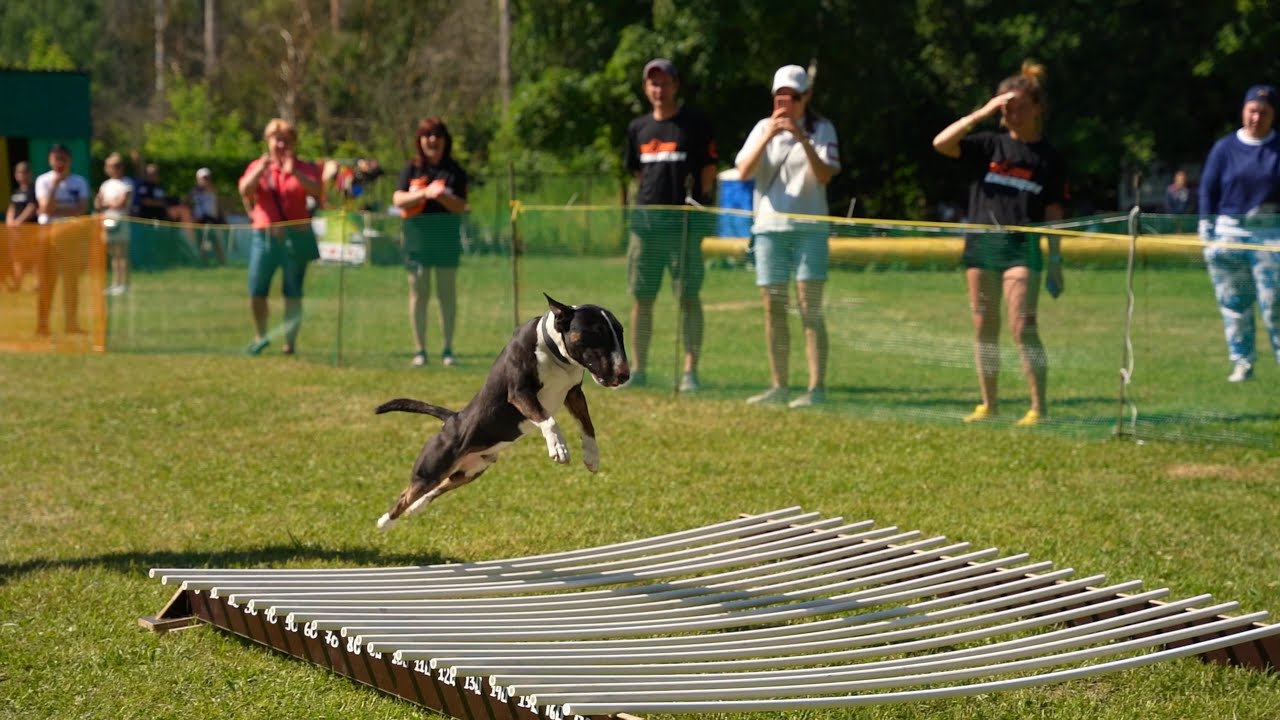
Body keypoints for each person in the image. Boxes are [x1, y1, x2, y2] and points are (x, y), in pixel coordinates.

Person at [932, 61, 1068, 426]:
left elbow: (1054, 211)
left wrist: (1055, 260)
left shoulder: (1048, 157)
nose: (1012, 113)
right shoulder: (988, 145)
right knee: (984, 326)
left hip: (1021, 249)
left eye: (1020, 106)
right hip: (981, 246)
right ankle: (988, 404)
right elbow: (941, 143)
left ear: (1038, 108)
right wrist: (982, 113)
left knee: (1023, 326)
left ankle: (1039, 408)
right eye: (1006, 107)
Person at [734, 64, 840, 408]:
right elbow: (743, 172)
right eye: (779, 97)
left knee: (810, 308)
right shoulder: (762, 128)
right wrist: (770, 134)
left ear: (805, 97)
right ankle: (779, 386)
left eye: (792, 97)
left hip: (809, 229)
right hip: (769, 230)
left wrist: (800, 137)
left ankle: (816, 388)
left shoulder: (822, 129)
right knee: (774, 309)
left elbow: (825, 175)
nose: (785, 104)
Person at [622, 58, 718, 391]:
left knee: (688, 298)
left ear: (675, 86)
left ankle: (690, 371)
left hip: (683, 228)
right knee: (642, 298)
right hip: (646, 228)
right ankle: (640, 369)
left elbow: (708, 169)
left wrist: (703, 203)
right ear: (646, 88)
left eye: (664, 83)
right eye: (653, 83)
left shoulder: (694, 124)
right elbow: (637, 172)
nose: (658, 89)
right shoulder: (638, 128)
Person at [1198, 84, 1280, 383]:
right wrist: (1206, 230)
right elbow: (1208, 189)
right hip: (1229, 235)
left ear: (1273, 116)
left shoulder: (1277, 148)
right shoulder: (1224, 148)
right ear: (1243, 111)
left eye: (1264, 112)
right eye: (1252, 111)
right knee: (1234, 304)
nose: (1257, 117)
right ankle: (1242, 362)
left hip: (1271, 236)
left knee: (1275, 304)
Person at [237, 118, 322, 355]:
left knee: (293, 292)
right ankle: (260, 336)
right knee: (257, 289)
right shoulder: (258, 166)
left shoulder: (303, 167)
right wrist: (260, 170)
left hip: (295, 239)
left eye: (286, 140)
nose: (281, 144)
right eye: (277, 139)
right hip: (264, 237)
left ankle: (290, 342)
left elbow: (317, 191)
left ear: (293, 143)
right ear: (268, 141)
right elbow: (244, 190)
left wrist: (294, 172)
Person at [392, 117, 468, 368]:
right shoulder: (411, 168)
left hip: (445, 241)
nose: (432, 140)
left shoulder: (454, 171)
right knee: (418, 294)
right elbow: (398, 199)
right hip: (416, 242)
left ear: (445, 141)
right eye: (427, 135)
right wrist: (424, 193)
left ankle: (448, 349)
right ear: (420, 140)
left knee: (447, 294)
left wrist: (442, 195)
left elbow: (461, 206)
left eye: (437, 135)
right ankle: (420, 350)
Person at [34, 143, 91, 335]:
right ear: (50, 160)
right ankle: (43, 324)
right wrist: (55, 185)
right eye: (56, 158)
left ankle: (71, 324)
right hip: (48, 237)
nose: (60, 163)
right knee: (47, 282)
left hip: (71, 238)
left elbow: (81, 210)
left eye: (63, 159)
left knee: (71, 283)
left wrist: (58, 210)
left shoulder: (79, 182)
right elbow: (46, 209)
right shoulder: (43, 181)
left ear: (70, 160)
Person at [95, 152, 134, 295]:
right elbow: (98, 202)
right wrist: (104, 203)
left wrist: (107, 203)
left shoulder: (127, 183)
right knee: (113, 254)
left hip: (121, 220)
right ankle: (115, 283)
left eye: (115, 166)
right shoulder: (106, 184)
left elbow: (121, 203)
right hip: (107, 221)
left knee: (122, 253)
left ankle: (124, 284)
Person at [5, 161, 39, 291]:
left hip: (31, 229)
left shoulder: (33, 190)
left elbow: (32, 207)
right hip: (17, 232)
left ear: (30, 174)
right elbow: (12, 207)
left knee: (35, 257)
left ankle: (37, 284)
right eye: (19, 172)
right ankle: (17, 283)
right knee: (17, 257)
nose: (22, 175)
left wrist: (19, 221)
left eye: (25, 172)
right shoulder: (16, 191)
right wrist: (10, 222)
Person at [191, 167, 226, 265]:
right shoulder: (193, 192)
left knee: (215, 242)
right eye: (203, 178)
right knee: (202, 243)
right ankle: (204, 264)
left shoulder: (212, 190)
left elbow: (216, 200)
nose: (205, 180)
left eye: (207, 178)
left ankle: (222, 263)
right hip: (199, 220)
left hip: (211, 220)